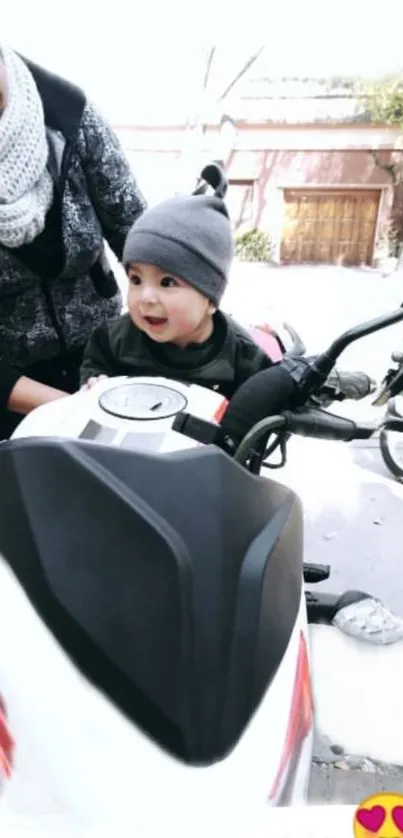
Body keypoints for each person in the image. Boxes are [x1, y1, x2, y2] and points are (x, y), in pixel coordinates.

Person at [0, 43, 146, 439]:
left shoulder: (67, 113)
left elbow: (140, 238)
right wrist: (69, 407)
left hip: (104, 364)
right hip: (12, 391)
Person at [80, 164, 297, 417]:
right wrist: (95, 382)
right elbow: (94, 367)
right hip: (127, 449)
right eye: (136, 279)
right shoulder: (113, 340)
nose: (145, 298)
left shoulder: (243, 358)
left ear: (210, 300)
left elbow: (265, 408)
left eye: (167, 282)